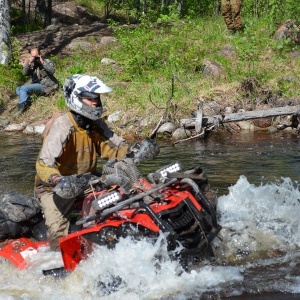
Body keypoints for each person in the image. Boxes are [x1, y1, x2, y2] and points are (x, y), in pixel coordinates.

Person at [34, 74, 130, 251]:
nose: (95, 102)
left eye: (97, 98)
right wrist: (57, 180)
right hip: (55, 188)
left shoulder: (95, 124)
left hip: (86, 180)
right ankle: (60, 263)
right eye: (90, 98)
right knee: (58, 231)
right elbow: (43, 165)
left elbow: (115, 148)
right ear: (76, 98)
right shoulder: (63, 126)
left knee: (124, 198)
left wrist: (135, 151)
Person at [14, 47, 59, 116]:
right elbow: (24, 73)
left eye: (36, 56)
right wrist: (28, 64)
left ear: (40, 54)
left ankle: (22, 106)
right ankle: (27, 100)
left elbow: (52, 70)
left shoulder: (46, 61)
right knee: (18, 89)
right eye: (33, 56)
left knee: (23, 88)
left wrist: (42, 62)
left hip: (46, 85)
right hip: (37, 85)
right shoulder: (32, 64)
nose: (35, 58)